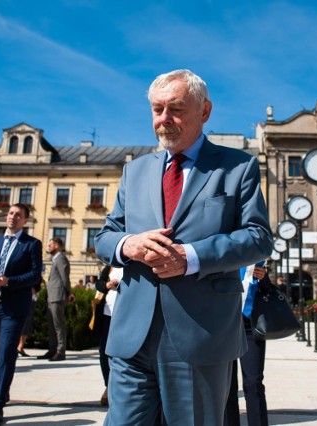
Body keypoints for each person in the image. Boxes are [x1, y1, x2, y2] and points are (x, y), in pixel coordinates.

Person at [94, 69, 272, 425]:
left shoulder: (237, 167)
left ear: (205, 111)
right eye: (157, 110)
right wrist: (129, 244)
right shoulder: (136, 171)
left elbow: (258, 237)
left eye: (175, 109)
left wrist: (190, 257)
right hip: (131, 336)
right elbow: (105, 236)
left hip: (199, 336)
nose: (164, 120)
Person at [0, 203, 43, 426]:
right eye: (11, 213)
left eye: (18, 215)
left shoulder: (31, 244)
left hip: (13, 308)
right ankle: (1, 392)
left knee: (6, 353)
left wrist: (9, 281)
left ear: (25, 220)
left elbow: (34, 275)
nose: (13, 217)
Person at [225, 264, 270, 426]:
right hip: (225, 325)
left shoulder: (254, 255)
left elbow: (267, 291)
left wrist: (263, 278)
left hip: (251, 325)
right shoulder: (223, 251)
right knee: (227, 384)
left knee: (254, 382)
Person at [38, 237, 73, 362]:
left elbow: (64, 277)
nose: (49, 247)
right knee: (52, 325)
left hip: (57, 296)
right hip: (52, 295)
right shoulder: (55, 259)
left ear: (57, 245)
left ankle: (60, 351)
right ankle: (52, 350)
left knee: (58, 325)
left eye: (51, 244)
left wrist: (69, 292)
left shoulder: (61, 258)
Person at [91, 264, 121, 407]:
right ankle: (108, 386)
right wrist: (108, 284)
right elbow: (99, 283)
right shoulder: (111, 266)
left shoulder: (135, 265)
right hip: (107, 315)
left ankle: (119, 388)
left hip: (125, 316)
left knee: (122, 354)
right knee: (104, 352)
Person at [17, 279, 43, 357]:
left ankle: (19, 346)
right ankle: (20, 346)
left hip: (23, 293)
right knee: (26, 321)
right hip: (29, 294)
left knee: (24, 321)